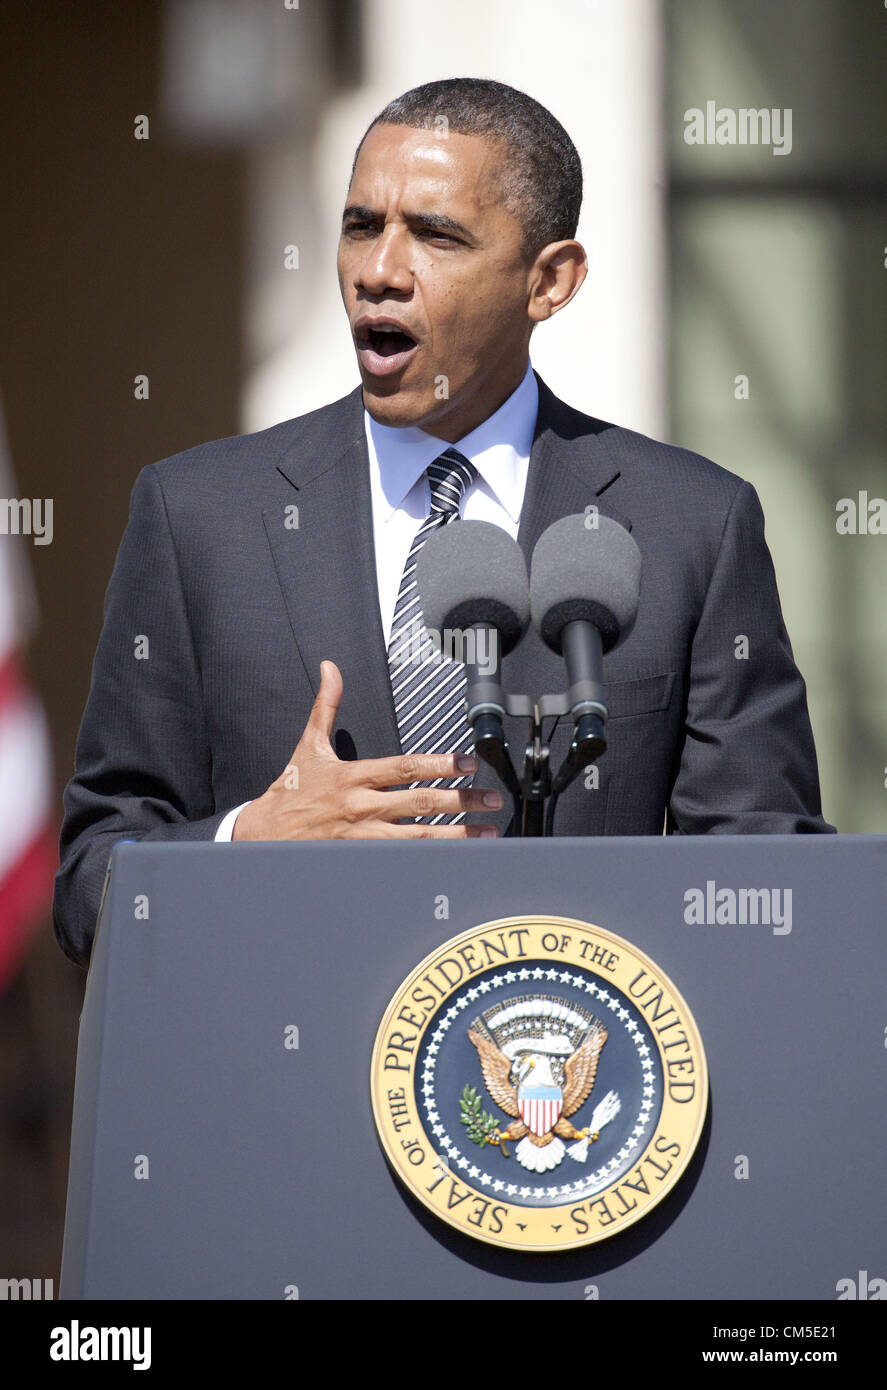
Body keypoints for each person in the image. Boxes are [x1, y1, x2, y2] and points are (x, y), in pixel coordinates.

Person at [53, 77, 834, 968]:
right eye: (360, 225)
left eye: (434, 235)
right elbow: (87, 887)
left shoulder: (690, 525)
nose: (379, 270)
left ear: (550, 281)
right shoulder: (197, 516)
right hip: (280, 1084)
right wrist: (249, 841)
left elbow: (767, 890)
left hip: (563, 1090)